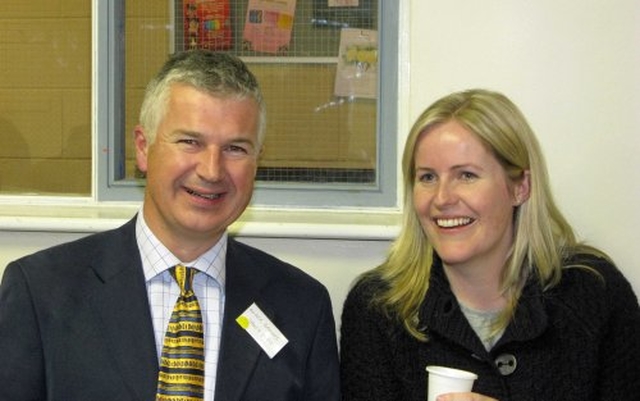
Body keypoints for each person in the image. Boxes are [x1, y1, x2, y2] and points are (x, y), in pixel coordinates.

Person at [0, 50, 341, 401]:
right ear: (144, 148)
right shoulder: (41, 291)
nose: (211, 170)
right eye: (190, 142)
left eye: (236, 148)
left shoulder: (302, 305)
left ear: (257, 161)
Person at [339, 88, 640, 401]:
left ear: (519, 187)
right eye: (427, 177)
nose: (442, 199)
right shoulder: (379, 309)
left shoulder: (594, 295)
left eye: (466, 175)